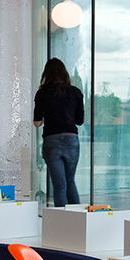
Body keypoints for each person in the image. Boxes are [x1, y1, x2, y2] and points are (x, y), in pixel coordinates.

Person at [33, 57, 84, 207]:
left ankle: (62, 218)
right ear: (65, 73)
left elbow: (37, 123)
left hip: (52, 141)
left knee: (59, 185)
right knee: (70, 180)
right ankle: (78, 216)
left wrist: (47, 116)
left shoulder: (42, 93)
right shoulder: (75, 92)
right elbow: (79, 121)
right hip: (71, 140)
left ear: (46, 74)